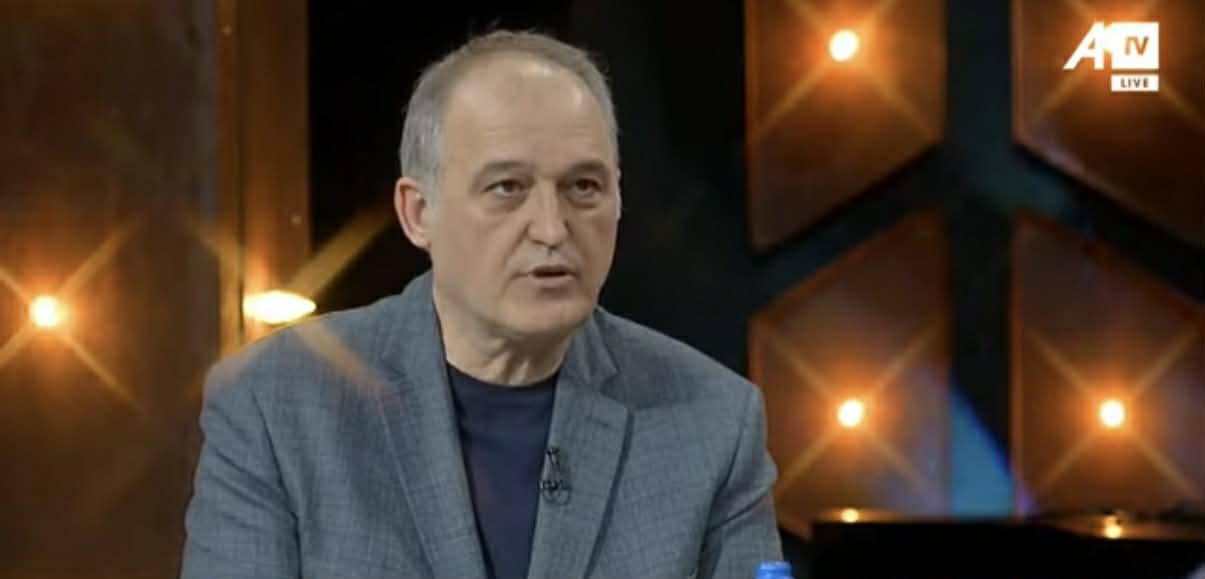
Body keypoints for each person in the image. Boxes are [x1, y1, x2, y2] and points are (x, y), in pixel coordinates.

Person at [180, 29, 783, 579]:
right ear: (419, 213)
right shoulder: (275, 404)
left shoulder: (714, 424)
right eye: (507, 188)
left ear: (619, 200)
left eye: (583, 187)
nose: (552, 228)